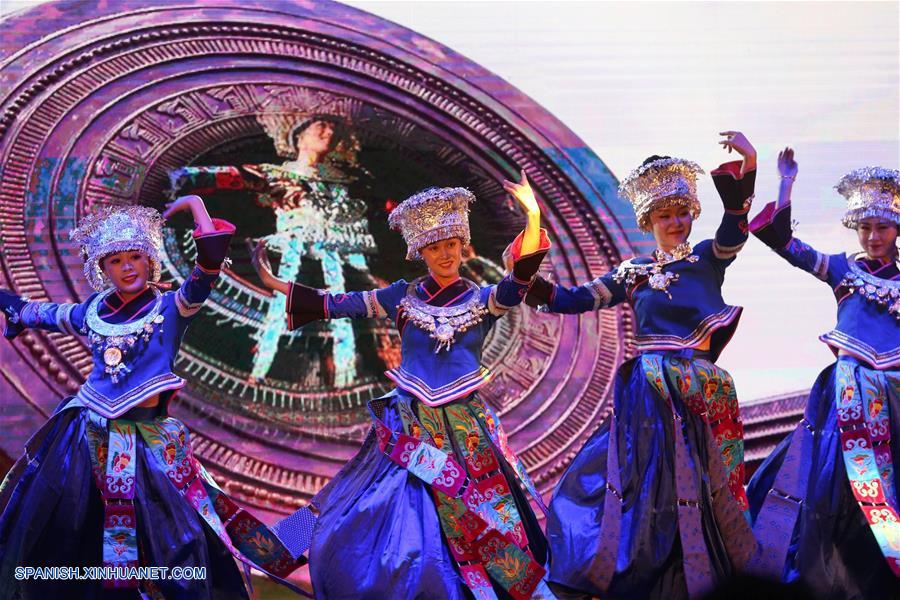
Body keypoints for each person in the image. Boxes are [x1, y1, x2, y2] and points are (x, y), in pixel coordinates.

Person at [251, 174, 555, 598]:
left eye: (451, 244)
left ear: (462, 245)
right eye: (435, 247)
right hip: (409, 420)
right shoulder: (402, 296)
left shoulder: (485, 299)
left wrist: (533, 213)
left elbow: (520, 279)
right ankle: (290, 553)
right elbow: (342, 303)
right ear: (421, 252)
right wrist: (279, 286)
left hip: (465, 429)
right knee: (349, 494)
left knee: (485, 511)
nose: (445, 254)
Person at [0, 196, 300, 599]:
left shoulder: (171, 307)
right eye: (116, 260)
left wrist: (197, 212)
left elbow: (206, 272)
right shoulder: (94, 311)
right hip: (86, 435)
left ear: (149, 261)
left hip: (149, 443)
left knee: (181, 534)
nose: (127, 267)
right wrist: (14, 307)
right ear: (103, 269)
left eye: (135, 258)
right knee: (68, 527)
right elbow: (45, 314)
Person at [527, 132, 759, 599]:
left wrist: (749, 161)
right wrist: (525, 274)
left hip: (699, 389)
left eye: (681, 212)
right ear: (647, 220)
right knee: (639, 483)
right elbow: (572, 299)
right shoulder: (633, 272)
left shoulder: (707, 257)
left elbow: (736, 227)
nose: (675, 222)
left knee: (709, 484)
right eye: (664, 215)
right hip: (649, 394)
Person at [746, 153, 900, 599]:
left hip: (895, 398)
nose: (873, 236)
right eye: (865, 227)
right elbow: (784, 243)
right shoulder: (842, 269)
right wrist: (786, 184)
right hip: (848, 396)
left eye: (883, 227)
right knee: (830, 483)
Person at [170, 109, 374, 385]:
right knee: (280, 306)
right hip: (291, 246)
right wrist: (179, 177)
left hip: (331, 249)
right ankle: (259, 370)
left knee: (340, 308)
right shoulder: (275, 174)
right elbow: (229, 175)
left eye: (333, 129)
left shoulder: (342, 181)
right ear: (300, 136)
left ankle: (344, 376)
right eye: (321, 126)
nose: (328, 132)